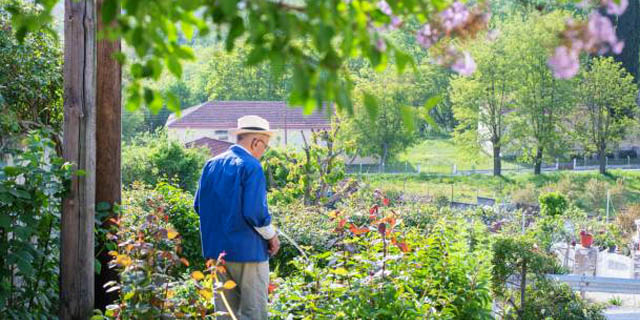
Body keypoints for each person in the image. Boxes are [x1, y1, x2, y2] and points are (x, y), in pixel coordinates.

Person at [194, 115, 281, 320]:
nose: (263, 151)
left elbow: (199, 206)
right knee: (253, 313)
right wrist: (272, 236)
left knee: (225, 313)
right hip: (249, 253)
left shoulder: (211, 165)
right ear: (255, 142)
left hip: (217, 254)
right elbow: (255, 213)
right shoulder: (251, 166)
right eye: (265, 146)